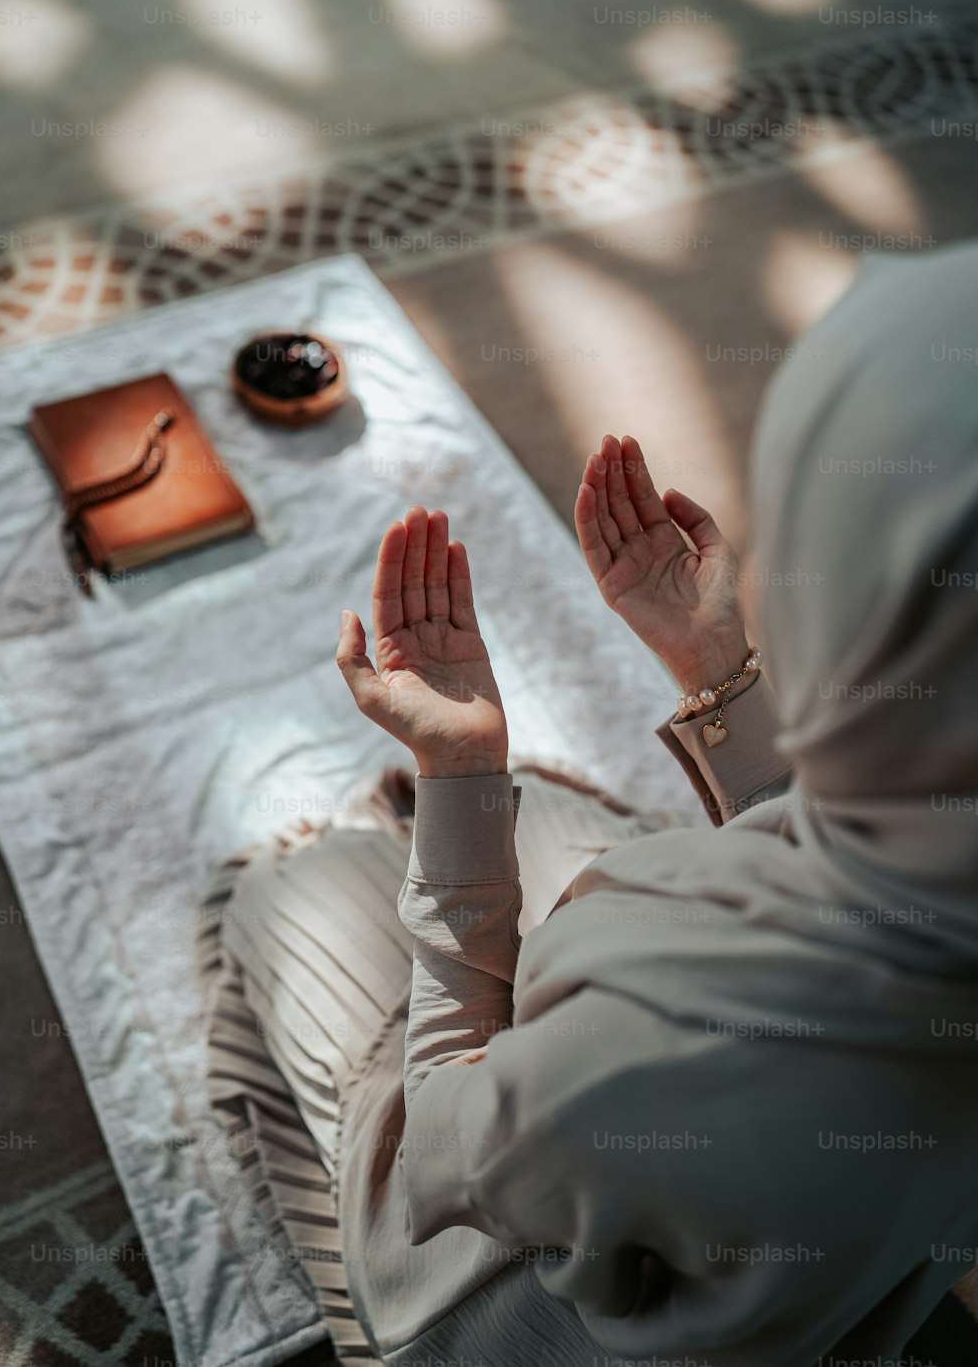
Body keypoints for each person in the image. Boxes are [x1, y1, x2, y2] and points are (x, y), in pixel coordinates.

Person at [200, 244, 978, 1367]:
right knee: (543, 825)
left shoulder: (665, 1045)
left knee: (293, 889)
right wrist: (714, 670)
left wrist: (458, 775)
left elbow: (440, 1154)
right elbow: (876, 844)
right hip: (770, 1244)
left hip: (486, 1290)